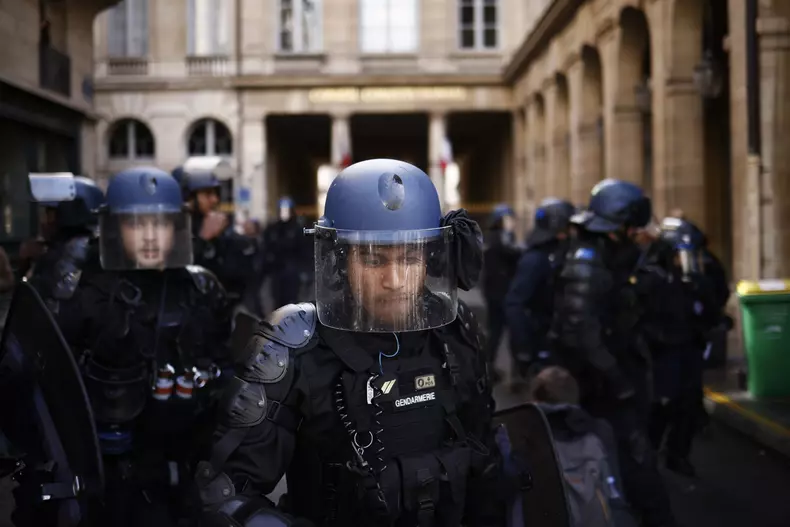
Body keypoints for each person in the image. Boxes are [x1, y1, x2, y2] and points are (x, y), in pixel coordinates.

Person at [196, 159, 506, 527]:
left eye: (409, 257)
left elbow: (487, 461)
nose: (394, 279)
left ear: (429, 258)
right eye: (374, 259)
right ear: (341, 260)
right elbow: (224, 496)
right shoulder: (294, 343)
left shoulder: (455, 333)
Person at [11, 167, 233, 527]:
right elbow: (48, 380)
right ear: (115, 227)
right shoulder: (85, 292)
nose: (149, 237)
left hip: (182, 465)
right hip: (105, 471)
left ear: (176, 227)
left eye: (159, 224)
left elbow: (226, 366)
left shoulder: (201, 290)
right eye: (135, 224)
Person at [553, 179, 676, 527]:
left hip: (611, 373)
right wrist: (617, 379)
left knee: (624, 459)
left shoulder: (608, 254)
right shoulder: (588, 261)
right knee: (632, 460)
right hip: (601, 381)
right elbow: (580, 328)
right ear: (619, 225)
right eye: (632, 227)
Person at [640, 217, 718, 477]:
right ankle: (647, 455)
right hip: (664, 355)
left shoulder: (693, 282)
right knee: (661, 406)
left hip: (689, 351)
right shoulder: (652, 281)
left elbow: (707, 310)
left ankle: (677, 454)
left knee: (689, 406)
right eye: (680, 257)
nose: (685, 263)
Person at [504, 198, 575, 390]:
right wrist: (524, 349)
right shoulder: (536, 260)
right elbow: (515, 305)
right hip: (542, 344)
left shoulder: (555, 255)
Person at [181, 166, 258, 312]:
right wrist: (203, 239)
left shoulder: (221, 228)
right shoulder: (179, 229)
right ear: (190, 198)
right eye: (208, 194)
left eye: (216, 193)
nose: (215, 199)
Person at [28, 176, 105, 314]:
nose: (44, 222)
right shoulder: (64, 246)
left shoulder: (75, 249)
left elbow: (53, 304)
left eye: (50, 215)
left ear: (70, 213)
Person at [481, 203, 521, 383]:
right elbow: (512, 254)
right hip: (501, 291)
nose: (512, 222)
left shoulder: (491, 238)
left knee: (495, 333)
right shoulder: (501, 238)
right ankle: (515, 373)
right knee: (508, 332)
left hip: (493, 291)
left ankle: (488, 369)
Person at [261, 196, 314, 309]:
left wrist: (305, 270)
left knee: (292, 301)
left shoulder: (298, 228)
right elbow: (267, 248)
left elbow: (305, 250)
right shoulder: (273, 229)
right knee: (277, 300)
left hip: (293, 270)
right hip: (277, 271)